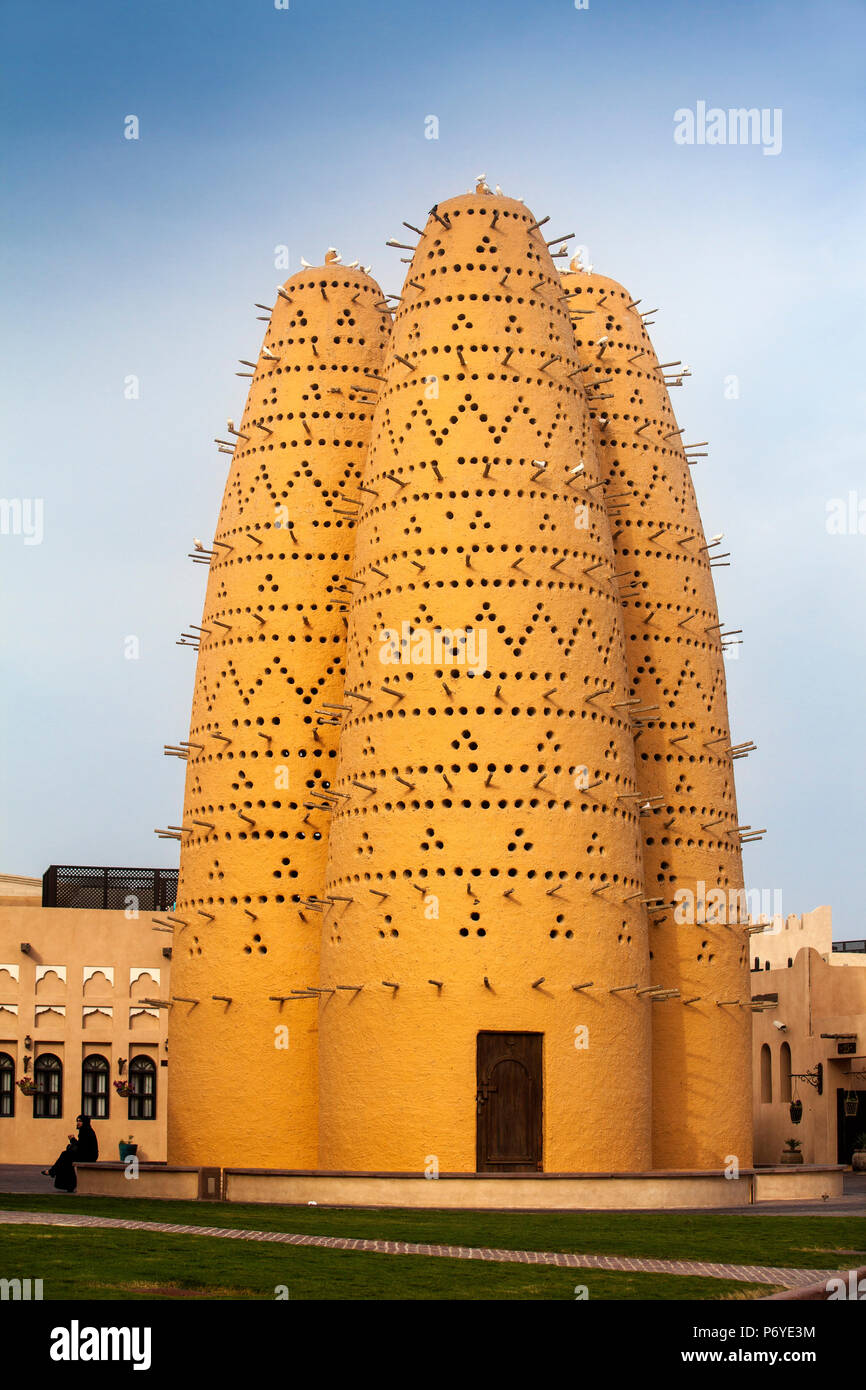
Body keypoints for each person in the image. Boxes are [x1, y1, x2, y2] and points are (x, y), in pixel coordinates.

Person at [42, 1114, 99, 1192]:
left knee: (65, 1155)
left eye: (80, 1121)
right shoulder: (85, 1130)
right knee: (66, 1158)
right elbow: (81, 1146)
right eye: (77, 1121)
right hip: (86, 1154)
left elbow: (82, 1147)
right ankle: (68, 1185)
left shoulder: (86, 1131)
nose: (78, 1123)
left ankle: (53, 1172)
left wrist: (72, 1140)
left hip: (89, 1156)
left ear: (85, 1122)